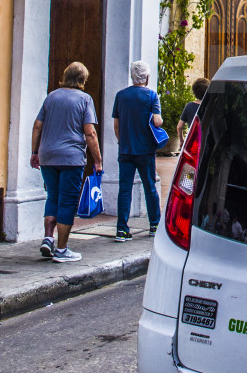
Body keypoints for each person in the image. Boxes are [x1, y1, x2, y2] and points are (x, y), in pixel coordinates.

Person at [31, 62, 100, 262]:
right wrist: (98, 160)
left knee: (52, 196)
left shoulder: (51, 96)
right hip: (71, 157)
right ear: (82, 80)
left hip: (48, 156)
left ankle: (47, 238)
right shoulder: (85, 99)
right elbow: (90, 132)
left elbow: (37, 126)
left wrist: (35, 151)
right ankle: (62, 249)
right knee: (68, 201)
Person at [112, 61, 163, 240]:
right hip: (145, 150)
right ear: (147, 77)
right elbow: (157, 121)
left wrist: (122, 141)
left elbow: (116, 125)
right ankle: (155, 225)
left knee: (124, 189)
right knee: (150, 187)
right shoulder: (151, 96)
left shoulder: (121, 96)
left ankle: (121, 229)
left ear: (132, 77)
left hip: (126, 149)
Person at [177, 77, 209, 150]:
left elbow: (179, 126)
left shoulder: (189, 106)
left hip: (193, 142)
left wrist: (182, 141)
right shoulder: (211, 106)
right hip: (207, 142)